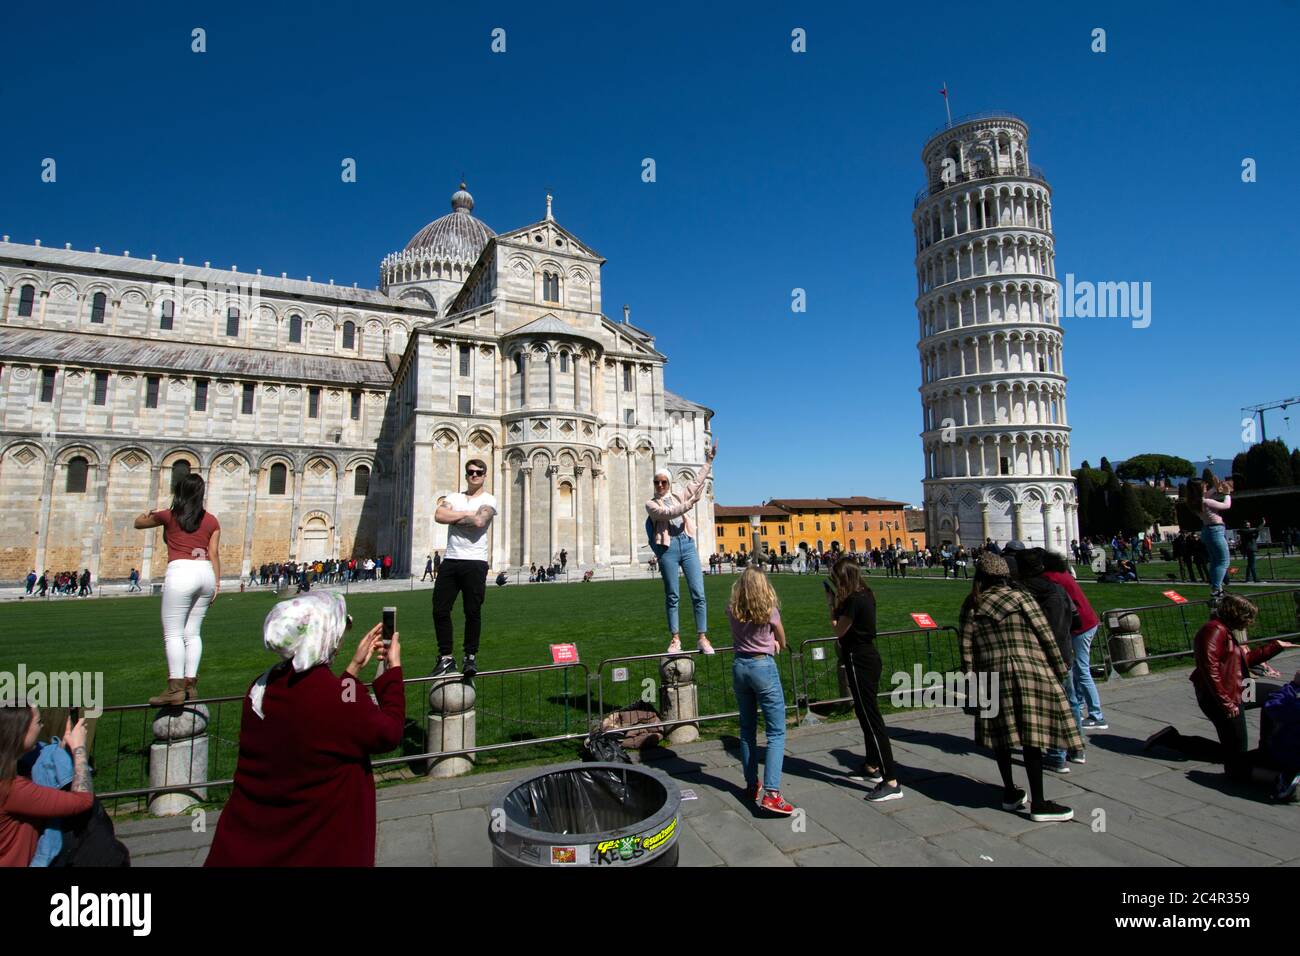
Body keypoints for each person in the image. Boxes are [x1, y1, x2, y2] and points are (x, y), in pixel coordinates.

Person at [204, 591, 403, 866]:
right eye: (340, 628)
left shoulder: (260, 688)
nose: (341, 638)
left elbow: (320, 720)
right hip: (316, 848)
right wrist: (393, 670)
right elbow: (389, 731)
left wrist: (353, 669)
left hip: (247, 845)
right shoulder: (336, 700)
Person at [959, 552, 1083, 822]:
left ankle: (1009, 793)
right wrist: (1059, 669)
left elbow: (966, 650)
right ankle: (1038, 802)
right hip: (1028, 671)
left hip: (989, 676)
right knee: (1031, 738)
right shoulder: (1021, 598)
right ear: (1005, 574)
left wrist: (971, 682)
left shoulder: (972, 604)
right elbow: (1046, 636)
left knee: (1000, 738)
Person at [1145, 595, 1295, 786]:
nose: (1251, 622)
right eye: (1248, 617)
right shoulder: (1214, 630)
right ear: (1236, 614)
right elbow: (1210, 669)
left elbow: (1242, 662)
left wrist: (1275, 647)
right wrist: (1226, 703)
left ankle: (1267, 746)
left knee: (1277, 695)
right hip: (1220, 697)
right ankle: (1172, 740)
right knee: (1234, 756)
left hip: (1237, 689)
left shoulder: (1226, 630)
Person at [133, 473, 220, 705]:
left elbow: (138, 522)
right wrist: (217, 583)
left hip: (181, 571)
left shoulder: (169, 515)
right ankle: (191, 686)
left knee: (173, 634)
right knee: (193, 633)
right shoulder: (212, 520)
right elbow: (213, 553)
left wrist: (151, 511)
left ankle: (175, 688)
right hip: (206, 573)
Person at [828, 557, 901, 803]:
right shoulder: (865, 594)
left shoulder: (854, 601)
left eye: (837, 579)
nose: (836, 584)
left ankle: (891, 780)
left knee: (872, 718)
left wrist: (831, 607)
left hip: (860, 660)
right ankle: (872, 764)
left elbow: (838, 631)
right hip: (864, 657)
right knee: (863, 711)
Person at [727, 567, 793, 815]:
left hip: (739, 666)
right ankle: (772, 794)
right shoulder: (769, 611)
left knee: (747, 730)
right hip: (762, 666)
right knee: (776, 731)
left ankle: (752, 784)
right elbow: (782, 641)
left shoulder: (732, 610)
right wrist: (774, 642)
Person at [1014, 548, 1085, 773]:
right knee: (1070, 700)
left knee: (1048, 704)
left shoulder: (1022, 594)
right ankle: (1077, 747)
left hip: (1038, 656)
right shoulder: (1057, 588)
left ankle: (1056, 754)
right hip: (1063, 652)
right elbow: (1076, 618)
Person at [0, 703, 94, 867]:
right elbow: (83, 800)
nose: (42, 726)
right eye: (38, 722)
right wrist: (79, 749)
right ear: (21, 731)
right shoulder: (13, 789)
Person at [646, 441, 717, 655]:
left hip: (686, 544)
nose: (660, 486)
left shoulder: (677, 495)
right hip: (668, 549)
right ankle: (675, 639)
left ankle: (702, 638)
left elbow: (695, 483)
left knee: (699, 593)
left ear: (669, 482)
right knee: (672, 595)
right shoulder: (651, 504)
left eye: (663, 482)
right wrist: (689, 504)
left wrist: (709, 461)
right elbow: (667, 514)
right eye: (657, 482)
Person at [431, 459, 497, 679]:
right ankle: (446, 657)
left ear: (485, 475)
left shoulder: (489, 499)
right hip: (451, 559)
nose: (475, 475)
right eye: (471, 472)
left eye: (479, 472)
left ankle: (470, 656)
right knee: (440, 609)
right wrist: (466, 515)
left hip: (475, 562)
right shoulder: (454, 497)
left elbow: (480, 521)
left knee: (472, 611)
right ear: (466, 475)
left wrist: (455, 517)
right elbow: (439, 515)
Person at [1041, 550, 1107, 733]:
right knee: (1079, 668)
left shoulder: (1051, 578)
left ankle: (1096, 715)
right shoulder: (1062, 574)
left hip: (1081, 626)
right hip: (1087, 621)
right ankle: (1080, 704)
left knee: (1082, 670)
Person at [1188, 477, 1232, 603]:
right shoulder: (1206, 502)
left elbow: (1206, 495)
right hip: (1215, 531)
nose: (1205, 486)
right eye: (1204, 485)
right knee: (1223, 561)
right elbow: (1226, 505)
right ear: (1199, 488)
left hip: (1207, 531)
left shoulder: (1194, 501)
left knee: (1214, 561)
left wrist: (1215, 488)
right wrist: (1227, 493)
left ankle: (1216, 587)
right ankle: (1216, 589)